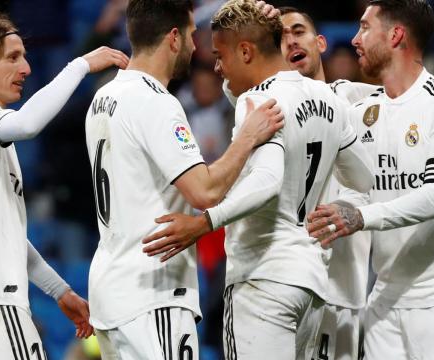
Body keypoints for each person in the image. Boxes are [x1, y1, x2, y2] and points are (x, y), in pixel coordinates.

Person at [278, 6, 434, 360]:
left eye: (364, 28)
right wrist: (344, 209)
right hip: (384, 308)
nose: (355, 40)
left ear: (395, 35)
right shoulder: (363, 113)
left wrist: (360, 217)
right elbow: (360, 186)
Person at [141, 0, 375, 358]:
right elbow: (362, 177)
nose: (217, 67)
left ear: (246, 51)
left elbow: (267, 181)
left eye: (221, 55)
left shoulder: (259, 101)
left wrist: (203, 223)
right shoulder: (328, 100)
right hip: (311, 283)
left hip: (262, 278)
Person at [83, 0, 284, 358]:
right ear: (173, 38)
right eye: (192, 35)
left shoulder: (104, 96)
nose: (196, 46)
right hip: (152, 292)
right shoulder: (155, 102)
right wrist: (247, 138)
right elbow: (204, 191)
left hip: (111, 289)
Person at [0, 9, 129, 359]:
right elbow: (28, 124)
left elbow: (7, 233)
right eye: (12, 58)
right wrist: (81, 65)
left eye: (25, 58)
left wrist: (59, 291)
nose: (25, 68)